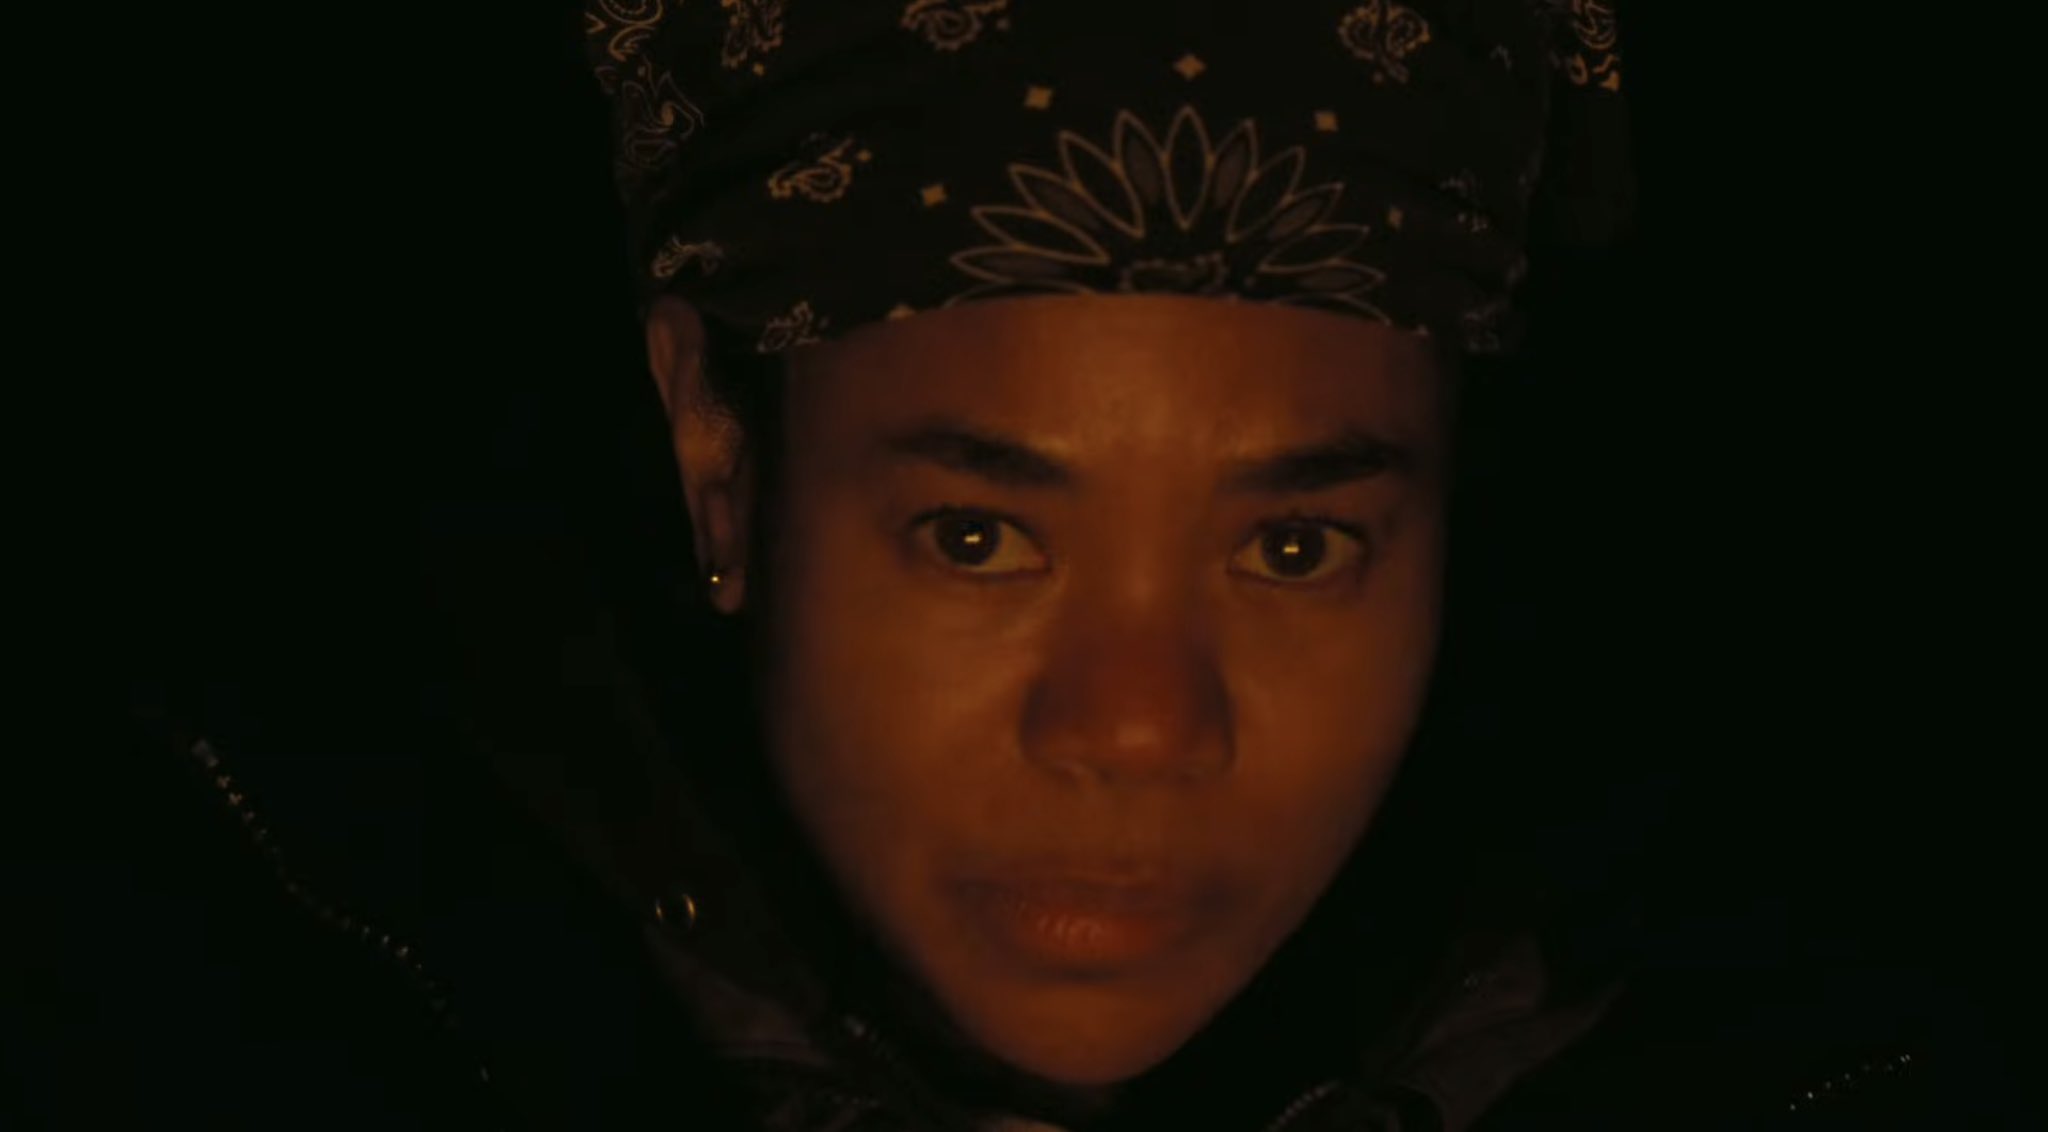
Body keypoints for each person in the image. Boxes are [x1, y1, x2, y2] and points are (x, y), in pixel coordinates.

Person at [55, 2, 2023, 1129]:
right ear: (716, 462)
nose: (1138, 727)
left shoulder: (1841, 1061)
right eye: (980, 535)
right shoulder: (185, 1003)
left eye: (1295, 544)